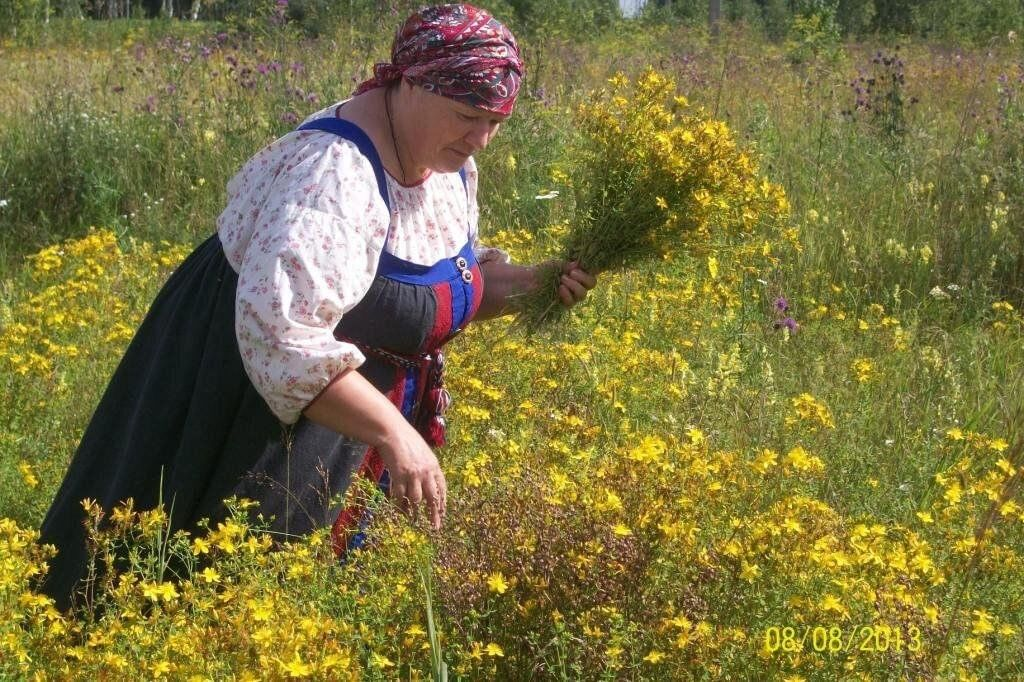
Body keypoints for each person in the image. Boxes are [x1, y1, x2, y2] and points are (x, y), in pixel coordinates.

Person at [37, 3, 596, 611]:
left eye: (495, 122)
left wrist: (536, 283)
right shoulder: (332, 176)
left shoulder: (447, 166)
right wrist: (394, 433)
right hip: (253, 412)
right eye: (468, 116)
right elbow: (282, 340)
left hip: (355, 426)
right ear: (411, 83)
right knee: (202, 593)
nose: (480, 138)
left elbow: (442, 289)